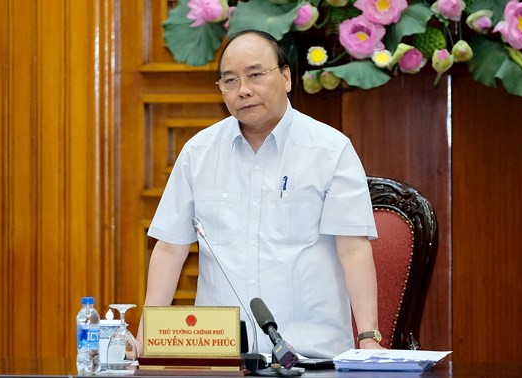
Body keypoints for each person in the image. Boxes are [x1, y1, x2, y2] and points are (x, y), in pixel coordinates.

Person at [137, 29, 382, 358]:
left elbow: (352, 249)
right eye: (230, 81)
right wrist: (144, 342)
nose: (244, 91)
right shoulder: (198, 153)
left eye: (255, 75)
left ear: (286, 77)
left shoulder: (330, 150)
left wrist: (368, 337)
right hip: (220, 354)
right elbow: (169, 249)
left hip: (312, 354)